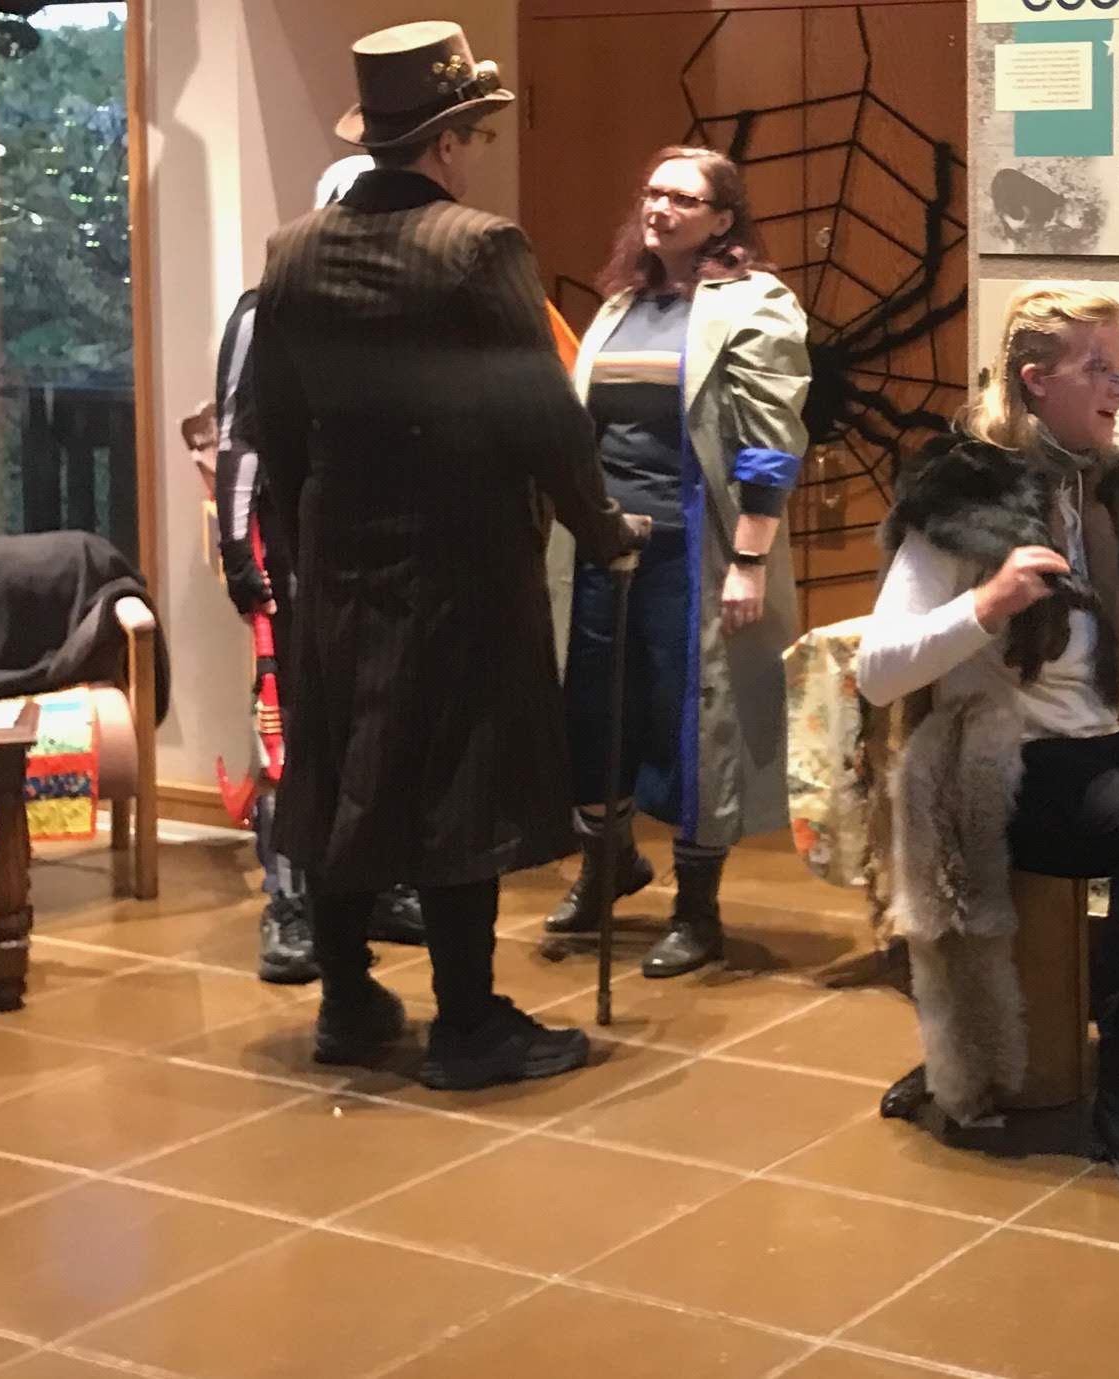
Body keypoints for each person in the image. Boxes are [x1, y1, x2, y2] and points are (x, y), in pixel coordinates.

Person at [240, 22, 642, 1091]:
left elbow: (271, 421)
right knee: (462, 776)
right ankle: (467, 1023)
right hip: (463, 560)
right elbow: (544, 417)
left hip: (338, 559)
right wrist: (602, 528)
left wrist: (302, 545)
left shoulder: (292, 250)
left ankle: (346, 1001)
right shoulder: (479, 247)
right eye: (474, 134)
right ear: (449, 139)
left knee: (344, 768)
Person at [855, 285, 1119, 1199]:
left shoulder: (1103, 486)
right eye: (1098, 368)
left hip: (1096, 737)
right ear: (1036, 379)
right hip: (1001, 763)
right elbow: (878, 671)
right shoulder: (963, 492)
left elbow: (1100, 648)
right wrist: (985, 605)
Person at [543, 145, 811, 979]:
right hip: (601, 547)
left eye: (683, 199)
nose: (659, 208)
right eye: (653, 192)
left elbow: (770, 442)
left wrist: (750, 557)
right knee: (594, 708)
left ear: (723, 218)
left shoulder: (754, 304)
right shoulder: (621, 305)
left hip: (695, 552)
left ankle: (697, 911)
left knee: (696, 722)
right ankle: (606, 867)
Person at [202, 156, 426, 986]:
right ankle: (290, 902)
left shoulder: (411, 307)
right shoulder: (266, 311)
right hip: (292, 548)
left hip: (383, 549)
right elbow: (240, 435)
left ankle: (377, 880)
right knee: (288, 723)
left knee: (381, 718)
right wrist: (239, 550)